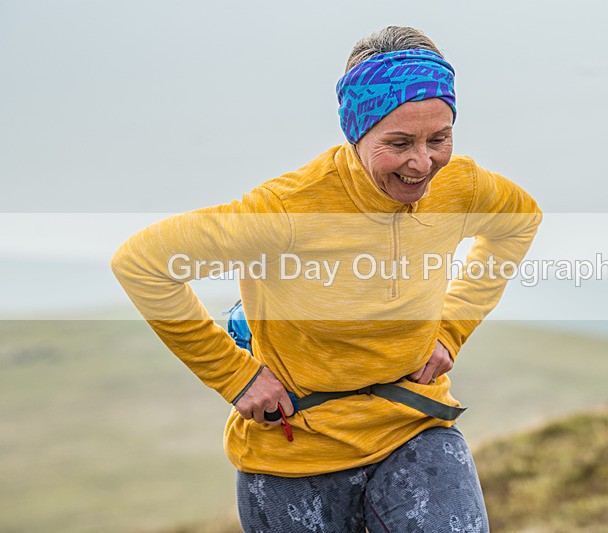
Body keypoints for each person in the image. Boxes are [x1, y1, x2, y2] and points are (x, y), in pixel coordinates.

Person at [111, 25, 542, 532]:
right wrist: (234, 376)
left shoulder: (460, 185)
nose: (423, 163)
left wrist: (453, 326)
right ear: (356, 132)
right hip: (296, 448)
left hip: (414, 425)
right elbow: (142, 262)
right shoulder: (289, 209)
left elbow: (520, 221)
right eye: (399, 142)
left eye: (439, 139)